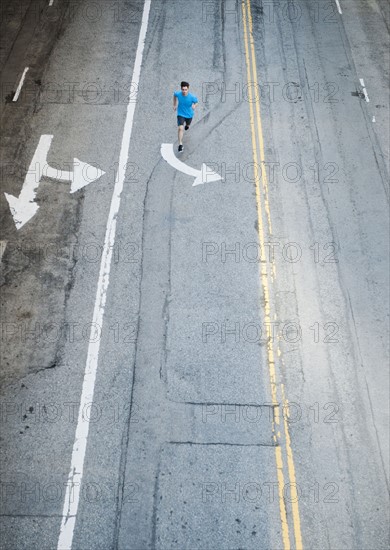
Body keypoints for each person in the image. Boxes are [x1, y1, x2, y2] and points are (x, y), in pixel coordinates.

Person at [173, 81, 198, 153]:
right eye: (183, 89)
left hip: (189, 115)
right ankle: (180, 144)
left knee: (187, 125)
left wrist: (194, 105)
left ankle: (187, 125)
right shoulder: (178, 94)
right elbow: (174, 95)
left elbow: (196, 102)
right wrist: (174, 104)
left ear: (188, 89)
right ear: (181, 89)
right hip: (180, 114)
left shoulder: (192, 97)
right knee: (180, 128)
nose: (184, 91)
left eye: (185, 89)